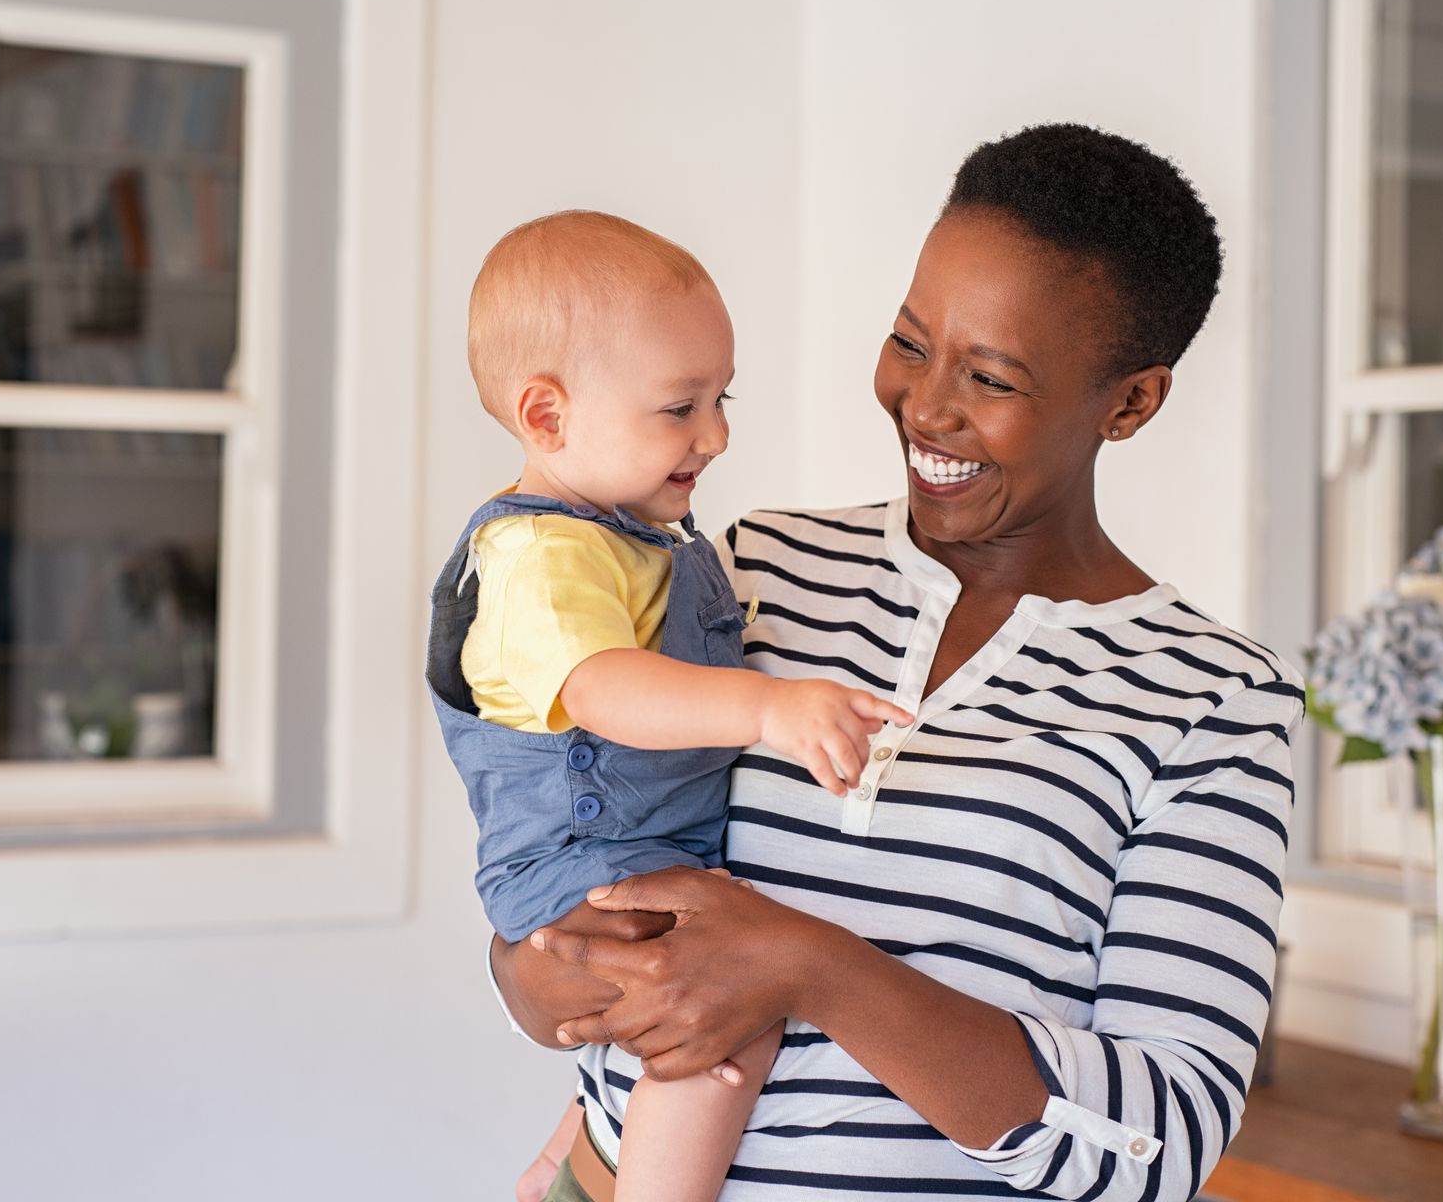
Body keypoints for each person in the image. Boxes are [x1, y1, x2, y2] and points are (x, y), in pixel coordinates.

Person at [490, 125, 1305, 1200]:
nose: (926, 405)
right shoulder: (746, 569)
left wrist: (810, 963)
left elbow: (1165, 1137)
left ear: (1131, 402)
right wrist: (532, 972)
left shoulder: (1215, 700)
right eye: (911, 343)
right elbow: (567, 834)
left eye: (993, 376)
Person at [425, 211, 912, 1202]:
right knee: (725, 1021)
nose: (717, 434)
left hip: (641, 852)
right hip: (583, 864)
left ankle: (567, 1146)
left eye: (721, 398)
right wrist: (769, 709)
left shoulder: (638, 536)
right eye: (680, 407)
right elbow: (607, 688)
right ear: (547, 416)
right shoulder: (539, 556)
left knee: (666, 999)